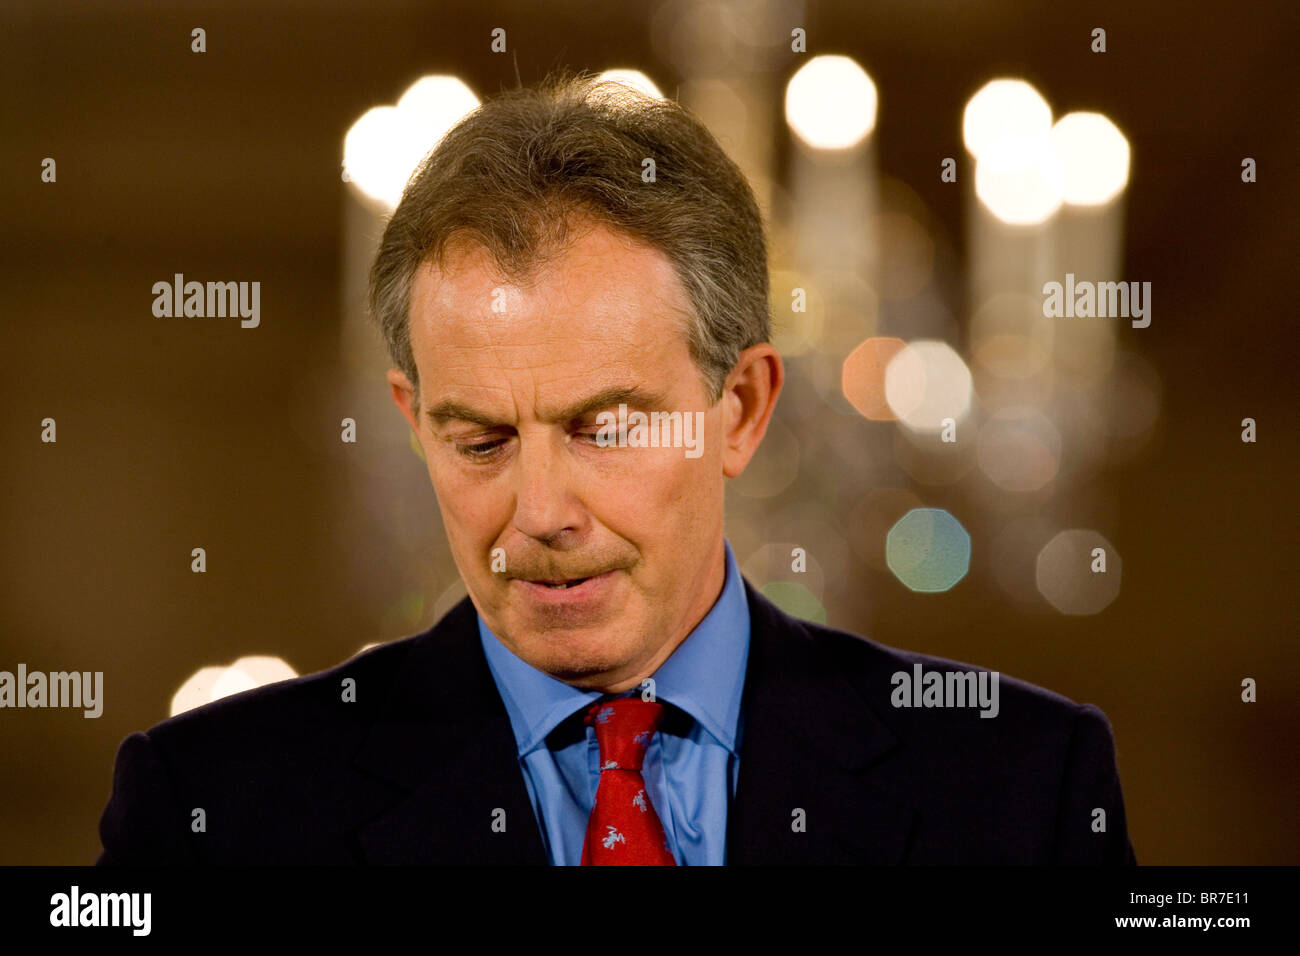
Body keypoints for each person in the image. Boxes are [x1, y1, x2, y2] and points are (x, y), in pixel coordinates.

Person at [97, 71, 1136, 865]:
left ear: (741, 408)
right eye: (480, 440)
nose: (538, 514)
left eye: (605, 428)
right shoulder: (214, 807)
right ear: (412, 421)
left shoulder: (1021, 787)